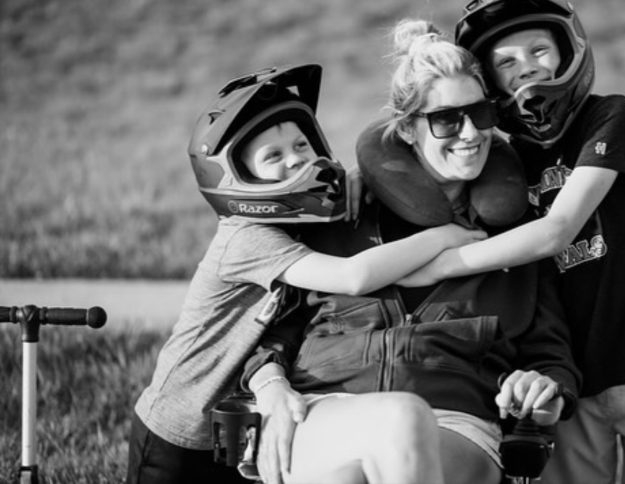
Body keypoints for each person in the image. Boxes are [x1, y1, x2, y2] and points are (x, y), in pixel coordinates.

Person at [239, 19, 581, 484]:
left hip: (458, 425)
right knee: (389, 428)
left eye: (480, 113)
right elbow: (275, 329)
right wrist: (272, 385)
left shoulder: (515, 238)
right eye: (445, 119)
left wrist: (544, 386)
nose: (470, 133)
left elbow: (550, 353)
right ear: (405, 130)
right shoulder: (342, 222)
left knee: (390, 436)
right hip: (328, 410)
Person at [126, 64, 491, 484]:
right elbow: (355, 277)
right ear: (236, 177)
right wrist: (444, 236)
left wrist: (363, 179)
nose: (297, 159)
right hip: (178, 427)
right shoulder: (248, 237)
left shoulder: (296, 225)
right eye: (273, 157)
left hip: (238, 416)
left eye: (302, 144)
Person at [386, 1, 625, 482]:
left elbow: (558, 230)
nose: (526, 66)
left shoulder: (611, 117)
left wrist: (442, 263)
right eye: (506, 62)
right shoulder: (507, 161)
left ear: (568, 51)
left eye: (538, 50)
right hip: (569, 375)